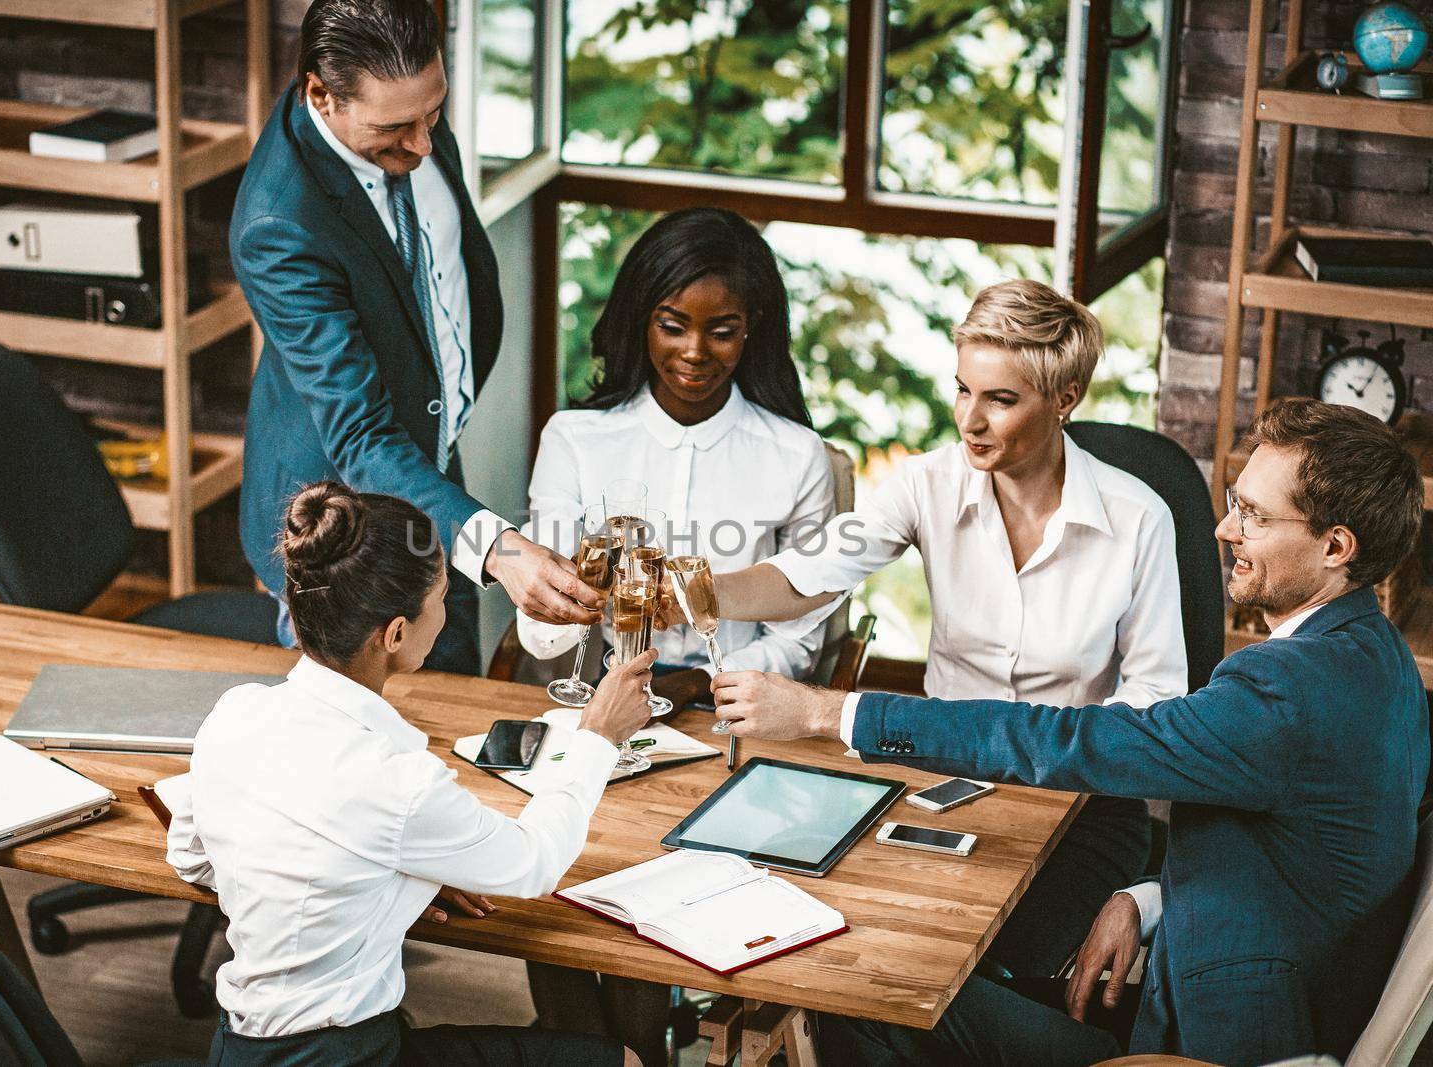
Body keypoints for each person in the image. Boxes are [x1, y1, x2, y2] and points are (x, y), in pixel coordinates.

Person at [712, 398, 1429, 1066]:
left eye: (1255, 515)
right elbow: (1298, 857)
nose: (1224, 529)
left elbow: (1065, 740)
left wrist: (826, 712)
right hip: (1226, 985)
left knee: (867, 998)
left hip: (1205, 1046)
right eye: (1234, 504)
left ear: (1336, 546)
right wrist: (1146, 900)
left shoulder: (1284, 691)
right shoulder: (1381, 656)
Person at [700, 278, 1188, 981]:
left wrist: (1060, 759)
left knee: (994, 971)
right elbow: (804, 576)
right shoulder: (925, 483)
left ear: (1064, 398)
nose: (970, 419)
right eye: (963, 389)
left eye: (1001, 398)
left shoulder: (1138, 517)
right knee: (858, 945)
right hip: (939, 777)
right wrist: (697, 591)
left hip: (1082, 804)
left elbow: (1155, 698)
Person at [167, 482, 654, 1067]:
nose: (445, 617)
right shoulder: (395, 782)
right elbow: (534, 863)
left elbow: (192, 858)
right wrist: (598, 736)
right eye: (443, 599)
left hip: (238, 1049)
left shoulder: (236, 713)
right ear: (395, 634)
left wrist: (377, 878)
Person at [233, 0, 599, 670]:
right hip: (338, 512)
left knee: (456, 669)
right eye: (397, 128)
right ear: (322, 94)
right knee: (375, 728)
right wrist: (500, 547)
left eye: (435, 113)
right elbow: (361, 437)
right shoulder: (279, 226)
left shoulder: (406, 106)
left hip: (423, 454)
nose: (425, 145)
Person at [518, 206, 836, 712]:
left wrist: (695, 683)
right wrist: (575, 587)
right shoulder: (575, 439)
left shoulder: (798, 455)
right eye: (672, 325)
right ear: (642, 319)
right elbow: (540, 641)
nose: (694, 351)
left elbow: (800, 642)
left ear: (752, 327)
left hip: (732, 707)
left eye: (722, 331)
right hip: (592, 703)